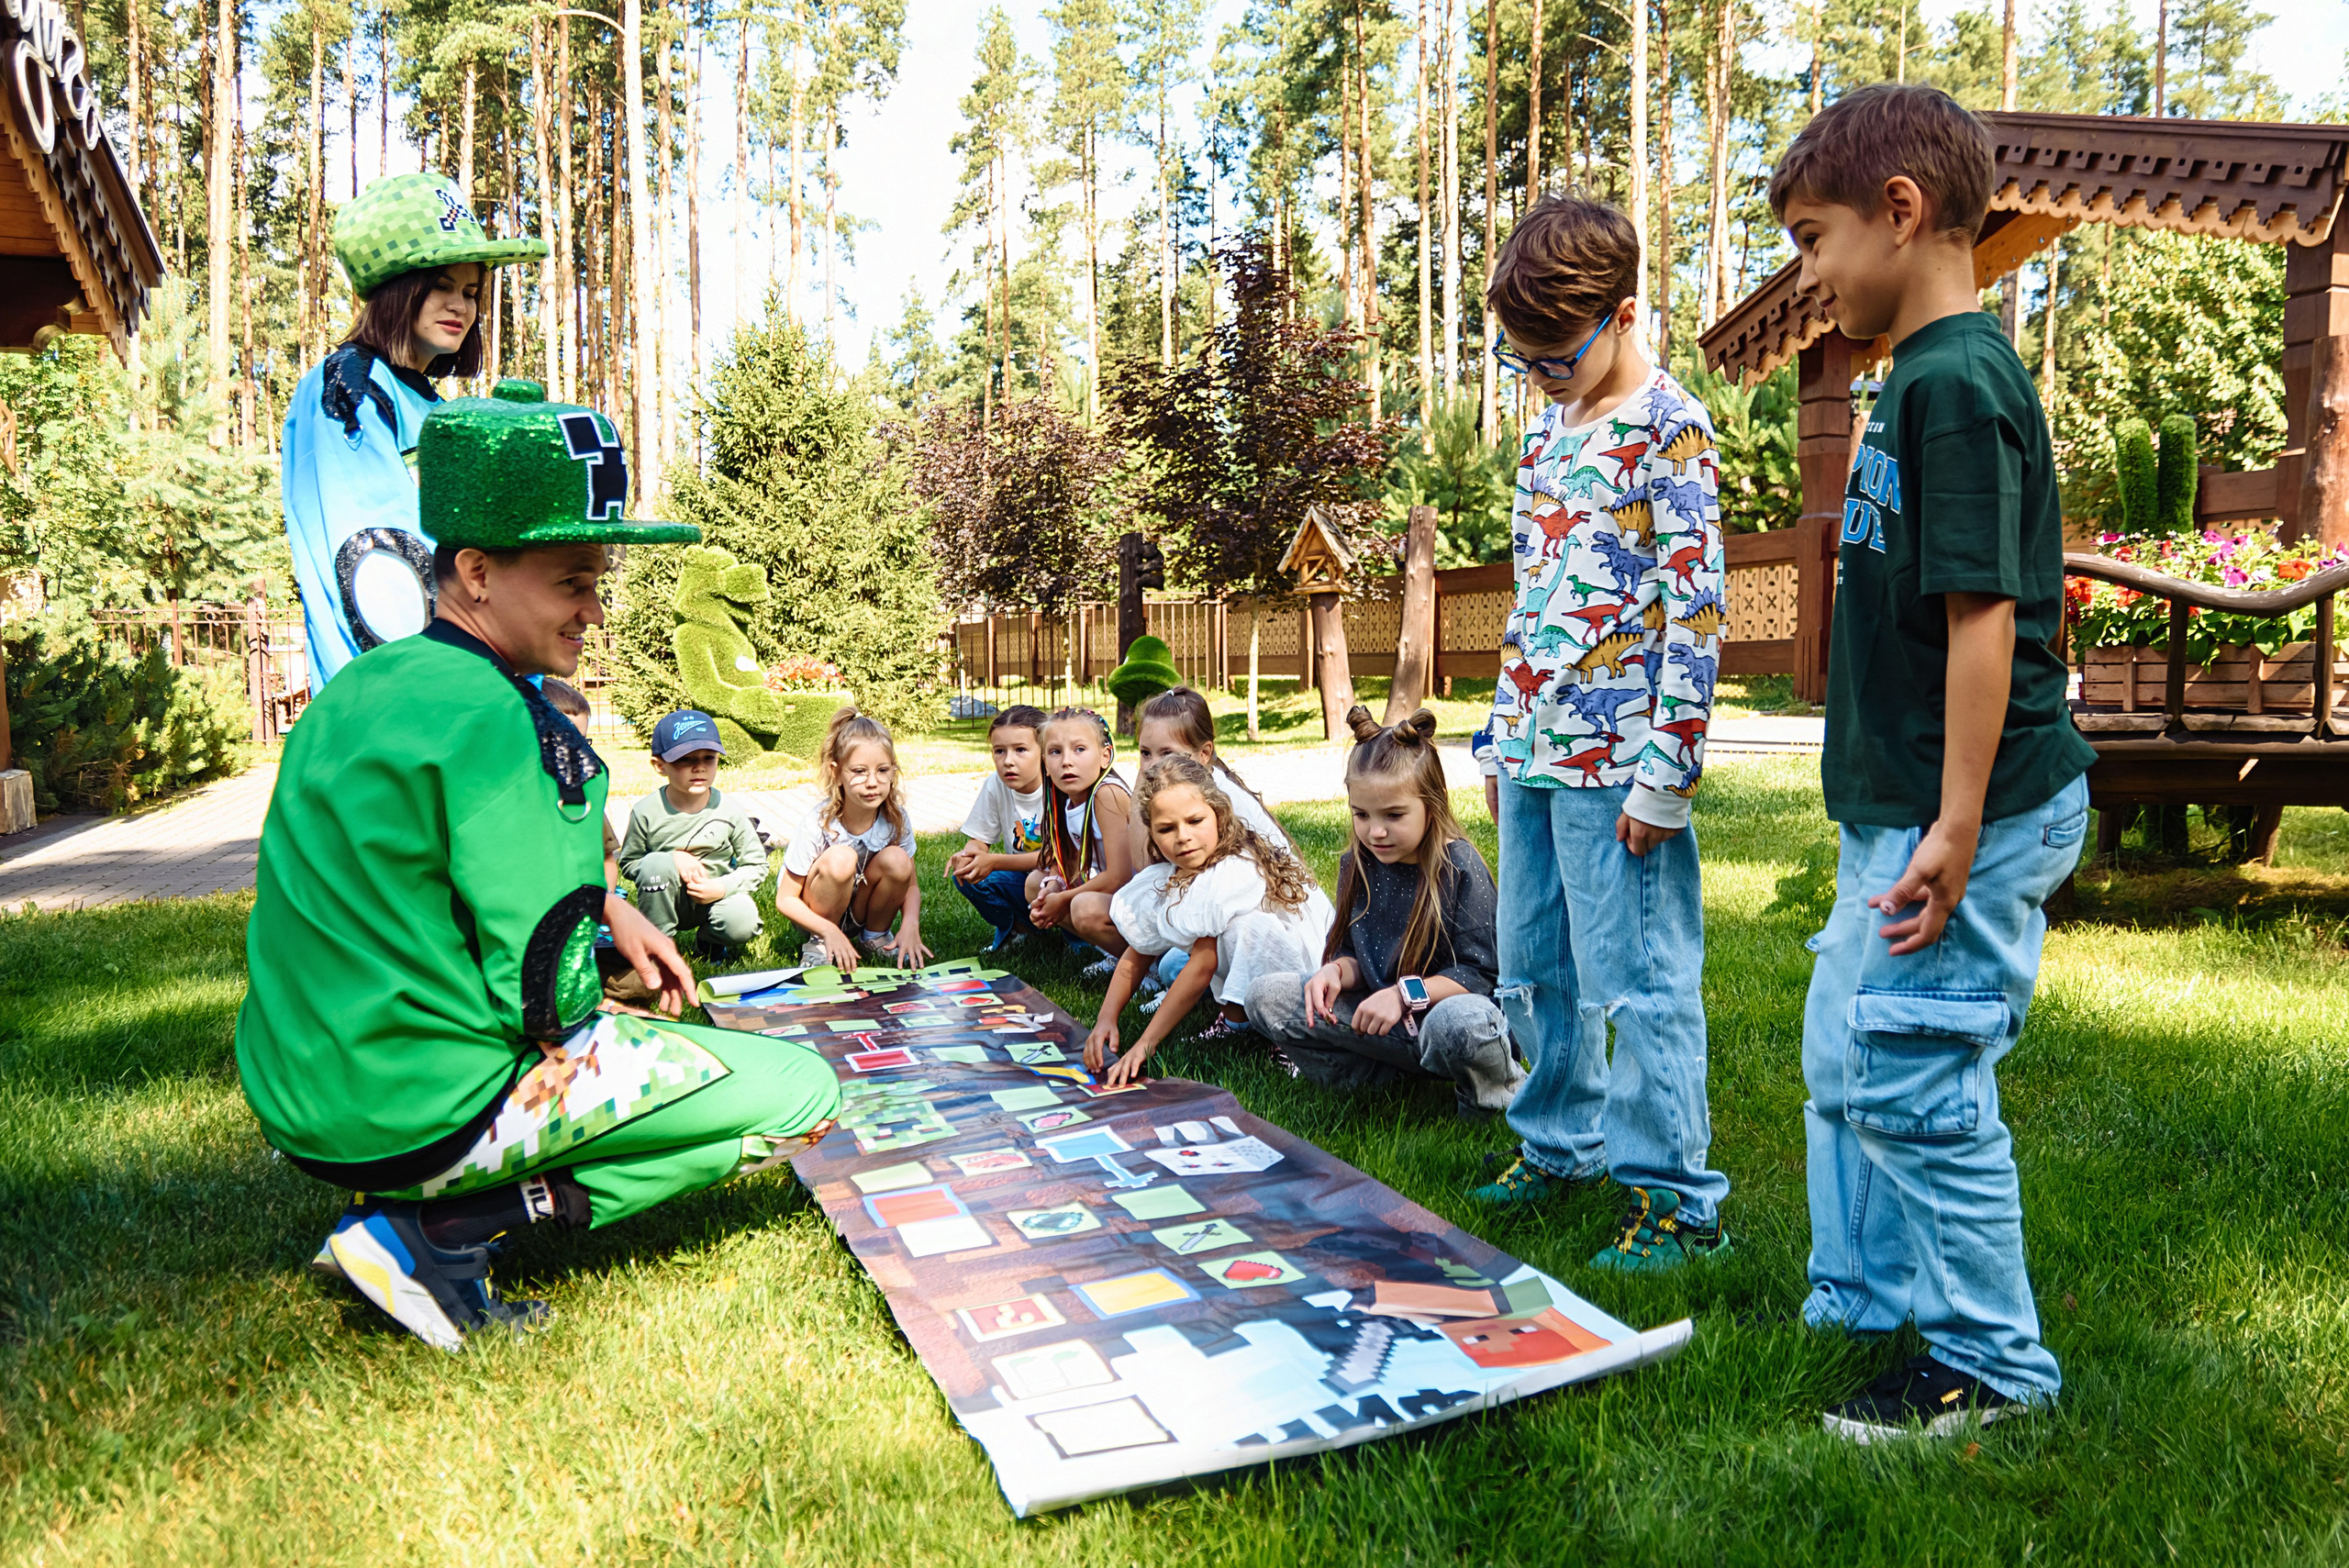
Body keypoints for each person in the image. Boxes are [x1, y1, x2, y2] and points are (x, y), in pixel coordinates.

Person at [236, 383, 841, 1351]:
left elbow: (419, 867)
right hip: (415, 1106)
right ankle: (441, 1227)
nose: (596, 610)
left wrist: (608, 895)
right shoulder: (505, 719)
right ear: (475, 570)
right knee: (804, 1090)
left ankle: (416, 1197)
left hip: (300, 1093)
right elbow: (549, 995)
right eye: (572, 580)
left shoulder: (368, 684)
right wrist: (614, 982)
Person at [1771, 83, 2095, 1442]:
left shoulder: (1956, 383)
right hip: (1903, 809)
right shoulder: (1919, 371)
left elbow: (1985, 617)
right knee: (1846, 1055)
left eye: (1814, 237)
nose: (1811, 272)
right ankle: (1862, 1291)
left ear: (1899, 213)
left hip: (1966, 812)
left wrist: (1955, 825)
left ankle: (1991, 1359)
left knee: (1913, 1070)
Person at [1464, 191, 1732, 1276]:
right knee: (1538, 963)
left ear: (1623, 314)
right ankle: (1557, 1141)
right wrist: (1497, 738)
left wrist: (1666, 772)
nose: (1538, 375)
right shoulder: (1545, 430)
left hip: (1620, 764)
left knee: (1640, 973)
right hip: (1533, 750)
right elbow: (1534, 600)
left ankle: (1676, 1196)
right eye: (1519, 358)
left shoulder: (1670, 428)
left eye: (1554, 356)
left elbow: (1695, 611)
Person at [280, 172, 548, 691]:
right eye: (442, 285)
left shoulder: (427, 405)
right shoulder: (347, 391)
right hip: (408, 704)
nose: (461, 306)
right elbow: (375, 560)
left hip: (470, 689)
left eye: (471, 290)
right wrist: (454, 690)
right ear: (396, 290)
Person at [1246, 708, 1520, 1116]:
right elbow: (1356, 954)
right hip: (1383, 1022)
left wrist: (1404, 996)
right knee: (1266, 996)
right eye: (1362, 815)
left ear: (1432, 804)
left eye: (1394, 815)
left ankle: (1493, 1094)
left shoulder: (1459, 865)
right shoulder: (1356, 863)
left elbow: (1481, 977)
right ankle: (1375, 1085)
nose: (1376, 831)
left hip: (1448, 1018)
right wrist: (1335, 972)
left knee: (1459, 1024)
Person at [1086, 755, 1333, 1078]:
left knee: (1243, 928)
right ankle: (1236, 1023)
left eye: (1194, 821)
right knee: (1195, 944)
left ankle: (1291, 1037)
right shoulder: (1179, 872)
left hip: (1305, 978)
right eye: (1166, 828)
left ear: (1218, 814)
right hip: (1258, 971)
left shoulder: (1235, 869)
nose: (1182, 836)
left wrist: (1146, 1044)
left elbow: (1202, 966)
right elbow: (1140, 949)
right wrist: (1106, 1017)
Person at [775, 707, 929, 970]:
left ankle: (875, 937)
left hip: (861, 907)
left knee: (898, 860)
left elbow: (911, 885)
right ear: (836, 773)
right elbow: (785, 899)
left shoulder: (895, 818)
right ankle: (820, 943)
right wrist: (827, 929)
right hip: (815, 913)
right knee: (841, 858)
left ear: (893, 771)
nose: (873, 782)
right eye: (859, 771)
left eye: (882, 770)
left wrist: (911, 924)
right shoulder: (818, 822)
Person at [618, 710, 770, 957]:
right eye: (685, 759)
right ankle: (659, 947)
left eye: (708, 758)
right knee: (656, 863)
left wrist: (722, 887)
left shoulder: (729, 810)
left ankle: (709, 939)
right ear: (659, 766)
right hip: (665, 898)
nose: (699, 767)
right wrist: (672, 858)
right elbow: (629, 863)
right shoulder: (645, 811)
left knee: (743, 920)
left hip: (713, 898)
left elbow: (757, 865)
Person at [1025, 706, 1136, 973]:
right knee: (1035, 885)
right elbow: (1070, 859)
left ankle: (1145, 966)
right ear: (1045, 765)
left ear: (1104, 755)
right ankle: (1116, 952)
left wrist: (1063, 900)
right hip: (1117, 897)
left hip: (1141, 900)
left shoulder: (1106, 794)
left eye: (1079, 750)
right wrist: (1052, 890)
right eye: (1055, 752)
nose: (1066, 761)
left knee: (1082, 908)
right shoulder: (1067, 798)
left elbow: (1120, 876)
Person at [947, 705, 1048, 950]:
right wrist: (970, 854)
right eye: (999, 751)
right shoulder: (995, 784)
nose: (1008, 761)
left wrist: (994, 861)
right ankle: (1020, 929)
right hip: (1020, 877)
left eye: (1020, 750)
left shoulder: (1058, 786)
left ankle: (1075, 938)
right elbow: (980, 839)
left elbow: (1054, 858)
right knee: (968, 876)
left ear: (1044, 752)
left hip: (1057, 876)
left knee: (1080, 951)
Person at [541, 677, 619, 889]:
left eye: (583, 741)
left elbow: (607, 860)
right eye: (564, 740)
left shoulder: (583, 798)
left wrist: (607, 899)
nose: (576, 751)